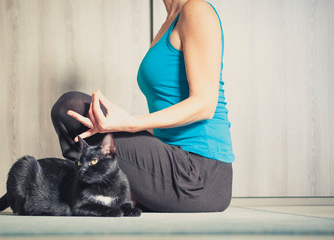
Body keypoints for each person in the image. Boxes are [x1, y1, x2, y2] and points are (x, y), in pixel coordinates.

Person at [51, 0, 234, 212]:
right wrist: (119, 124)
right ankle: (115, 193)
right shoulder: (169, 22)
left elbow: (205, 104)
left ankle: (106, 194)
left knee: (69, 106)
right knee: (71, 111)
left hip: (201, 174)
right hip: (171, 157)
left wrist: (129, 123)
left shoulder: (196, 9)